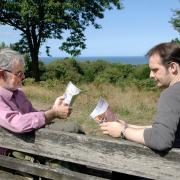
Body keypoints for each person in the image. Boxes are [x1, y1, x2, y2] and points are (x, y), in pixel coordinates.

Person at [100, 42, 180, 152]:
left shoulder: (171, 94)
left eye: (155, 70)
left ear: (172, 67)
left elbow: (161, 139)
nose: (151, 75)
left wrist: (123, 131)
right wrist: (127, 126)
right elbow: (165, 129)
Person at [0, 48, 73, 155]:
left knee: (73, 131)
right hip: (13, 156)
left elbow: (33, 115)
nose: (23, 77)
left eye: (23, 73)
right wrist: (54, 113)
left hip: (29, 145)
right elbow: (18, 123)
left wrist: (53, 109)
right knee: (72, 130)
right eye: (19, 74)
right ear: (1, 74)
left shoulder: (18, 93)